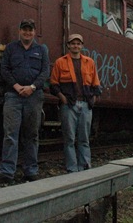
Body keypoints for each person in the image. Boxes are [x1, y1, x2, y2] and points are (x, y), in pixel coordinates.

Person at [0, 18, 50, 184]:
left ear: (34, 32)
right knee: (10, 134)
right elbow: (4, 69)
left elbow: (45, 72)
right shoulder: (11, 48)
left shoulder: (42, 50)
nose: (27, 32)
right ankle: (7, 172)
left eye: (30, 30)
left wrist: (32, 87)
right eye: (24, 29)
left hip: (34, 96)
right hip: (13, 96)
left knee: (31, 135)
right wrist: (16, 86)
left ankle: (31, 171)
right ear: (20, 31)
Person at [49, 33, 102, 173]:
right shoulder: (60, 62)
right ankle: (72, 168)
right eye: (73, 43)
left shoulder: (89, 62)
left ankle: (85, 166)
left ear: (82, 46)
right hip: (68, 105)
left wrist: (93, 100)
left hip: (85, 105)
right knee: (69, 139)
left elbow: (96, 84)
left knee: (84, 138)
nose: (75, 46)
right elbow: (53, 84)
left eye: (78, 43)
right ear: (68, 45)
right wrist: (63, 98)